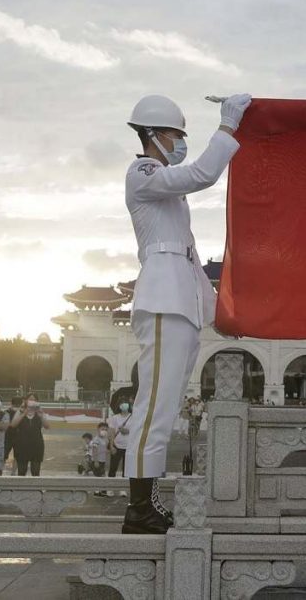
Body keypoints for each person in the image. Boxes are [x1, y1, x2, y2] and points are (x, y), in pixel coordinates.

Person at [121, 92, 252, 534]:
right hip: (162, 300)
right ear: (152, 135)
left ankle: (147, 500)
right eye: (176, 134)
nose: (180, 142)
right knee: (154, 404)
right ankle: (138, 508)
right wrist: (228, 127)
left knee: (166, 404)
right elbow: (201, 173)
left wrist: (219, 316)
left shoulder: (171, 197)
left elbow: (194, 262)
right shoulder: (143, 171)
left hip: (180, 303)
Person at [10, 393, 49, 476]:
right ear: (26, 401)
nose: (32, 401)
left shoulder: (39, 412)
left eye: (34, 399)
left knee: (35, 471)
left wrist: (41, 415)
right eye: (30, 399)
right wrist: (24, 413)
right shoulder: (20, 411)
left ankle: (35, 488)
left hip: (36, 445)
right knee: (22, 471)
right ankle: (21, 488)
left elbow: (47, 426)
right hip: (22, 445)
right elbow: (13, 424)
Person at [107, 399, 132, 483]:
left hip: (129, 447)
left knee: (127, 470)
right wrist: (111, 446)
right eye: (122, 403)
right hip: (116, 446)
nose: (124, 405)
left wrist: (128, 431)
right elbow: (111, 432)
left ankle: (123, 489)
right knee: (113, 468)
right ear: (119, 406)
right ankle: (110, 488)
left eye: (126, 403)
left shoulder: (133, 417)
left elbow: (137, 431)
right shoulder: (115, 418)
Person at [4, 396, 22, 474]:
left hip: (7, 435)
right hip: (19, 435)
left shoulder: (6, 411)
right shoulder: (21, 412)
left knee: (4, 455)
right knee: (17, 456)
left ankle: (0, 470)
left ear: (11, 403)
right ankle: (13, 472)